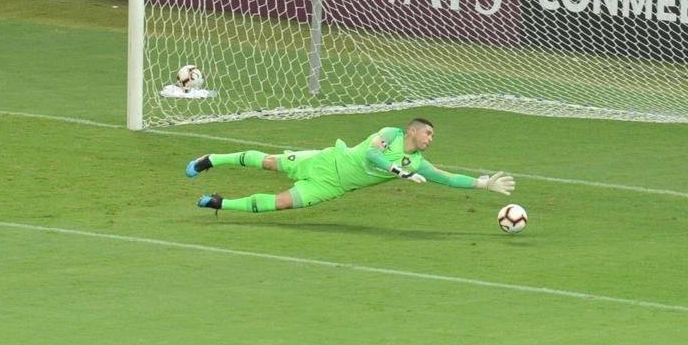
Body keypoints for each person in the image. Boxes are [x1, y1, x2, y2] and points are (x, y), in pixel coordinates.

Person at [186, 117, 515, 213]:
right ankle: (211, 159)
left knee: (283, 203)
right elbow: (372, 155)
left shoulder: (418, 162)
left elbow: (447, 178)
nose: (430, 139)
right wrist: (398, 172)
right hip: (327, 159)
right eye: (428, 132)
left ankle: (219, 203)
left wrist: (482, 184)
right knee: (271, 163)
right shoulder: (391, 134)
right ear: (413, 130)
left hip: (332, 186)